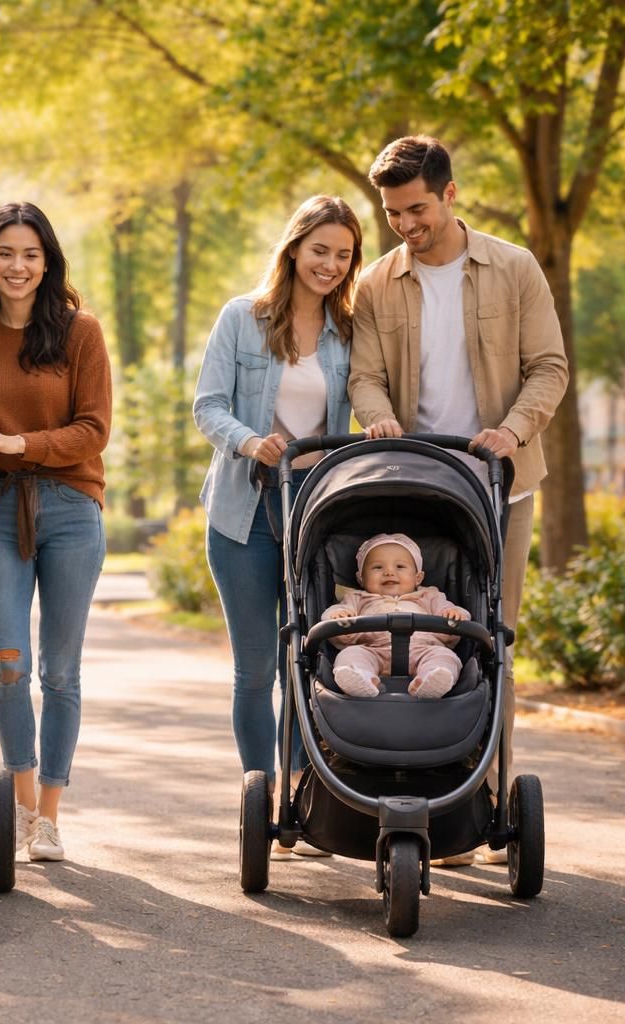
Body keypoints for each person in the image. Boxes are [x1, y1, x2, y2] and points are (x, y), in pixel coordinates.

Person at [350, 136, 568, 864]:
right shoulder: (379, 282)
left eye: (416, 209)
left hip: (504, 485)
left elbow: (549, 366)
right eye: (391, 213)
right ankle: (415, 787)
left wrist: (511, 430)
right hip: (420, 490)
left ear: (449, 194)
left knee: (490, 641)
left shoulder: (513, 267)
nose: (404, 225)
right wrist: (378, 415)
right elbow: (366, 376)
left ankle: (490, 803)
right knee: (409, 640)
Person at [193, 195, 363, 859]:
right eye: (320, 249)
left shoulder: (347, 332)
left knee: (309, 656)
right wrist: (248, 442)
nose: (330, 263)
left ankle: (303, 788)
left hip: (315, 516)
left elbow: (358, 408)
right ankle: (260, 795)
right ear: (294, 247)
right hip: (244, 512)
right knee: (257, 665)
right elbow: (207, 407)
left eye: (343, 254)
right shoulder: (243, 318)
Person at [0, 202, 111, 863]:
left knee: (60, 672)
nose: (17, 266)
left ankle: (50, 814)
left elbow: (94, 429)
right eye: (5, 253)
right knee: (8, 664)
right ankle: (22, 807)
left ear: (47, 261)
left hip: (72, 509)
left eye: (30, 254)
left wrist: (21, 442)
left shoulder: (80, 332)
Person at [321, 533, 468, 699]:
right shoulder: (357, 598)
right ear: (361, 578)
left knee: (445, 657)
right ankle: (362, 677)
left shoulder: (430, 596)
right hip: (372, 649)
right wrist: (339, 616)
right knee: (349, 656)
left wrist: (454, 615)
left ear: (418, 578)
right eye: (378, 567)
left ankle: (430, 679)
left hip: (424, 648)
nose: (389, 572)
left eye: (400, 567)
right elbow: (333, 620)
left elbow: (450, 612)